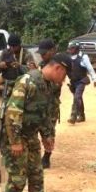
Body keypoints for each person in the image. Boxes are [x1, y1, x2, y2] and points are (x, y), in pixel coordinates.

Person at [0, 53, 71, 192]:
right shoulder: (27, 81)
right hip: (14, 137)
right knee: (18, 178)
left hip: (30, 136)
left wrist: (47, 136)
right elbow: (13, 113)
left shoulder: (47, 85)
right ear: (57, 68)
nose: (65, 78)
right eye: (65, 73)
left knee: (37, 174)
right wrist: (14, 142)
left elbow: (44, 114)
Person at [36, 38, 60, 169]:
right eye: (41, 53)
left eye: (44, 53)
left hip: (51, 105)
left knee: (49, 131)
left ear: (52, 51)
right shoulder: (42, 64)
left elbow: (55, 87)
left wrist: (40, 77)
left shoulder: (58, 65)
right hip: (39, 104)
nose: (42, 55)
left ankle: (47, 156)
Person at [66, 41, 96, 124]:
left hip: (81, 81)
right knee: (78, 98)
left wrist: (95, 79)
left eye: (72, 48)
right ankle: (82, 116)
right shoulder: (68, 58)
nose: (70, 50)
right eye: (70, 48)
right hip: (73, 82)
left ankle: (73, 116)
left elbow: (90, 68)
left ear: (77, 49)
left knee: (76, 97)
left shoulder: (83, 57)